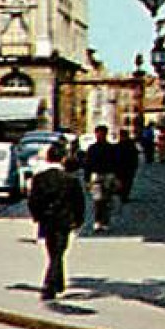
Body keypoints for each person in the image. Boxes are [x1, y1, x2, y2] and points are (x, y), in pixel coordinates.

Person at [27, 142, 86, 301]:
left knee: (53, 251)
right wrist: (79, 220)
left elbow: (33, 201)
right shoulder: (70, 180)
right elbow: (79, 202)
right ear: (62, 159)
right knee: (58, 252)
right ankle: (50, 286)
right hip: (64, 221)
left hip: (47, 221)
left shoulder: (40, 178)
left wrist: (38, 216)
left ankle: (59, 281)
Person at [82, 125, 117, 231]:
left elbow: (116, 164)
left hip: (108, 175)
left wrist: (117, 177)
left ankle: (105, 221)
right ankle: (97, 221)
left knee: (107, 200)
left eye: (102, 133)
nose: (100, 135)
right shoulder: (92, 148)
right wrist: (87, 179)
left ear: (106, 134)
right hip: (96, 175)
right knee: (97, 200)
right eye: (98, 133)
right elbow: (87, 165)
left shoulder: (111, 148)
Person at [114, 128, 141, 205]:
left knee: (125, 182)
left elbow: (135, 156)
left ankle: (123, 195)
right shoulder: (129, 144)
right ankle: (124, 195)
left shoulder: (123, 145)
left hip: (125, 167)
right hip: (126, 167)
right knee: (126, 182)